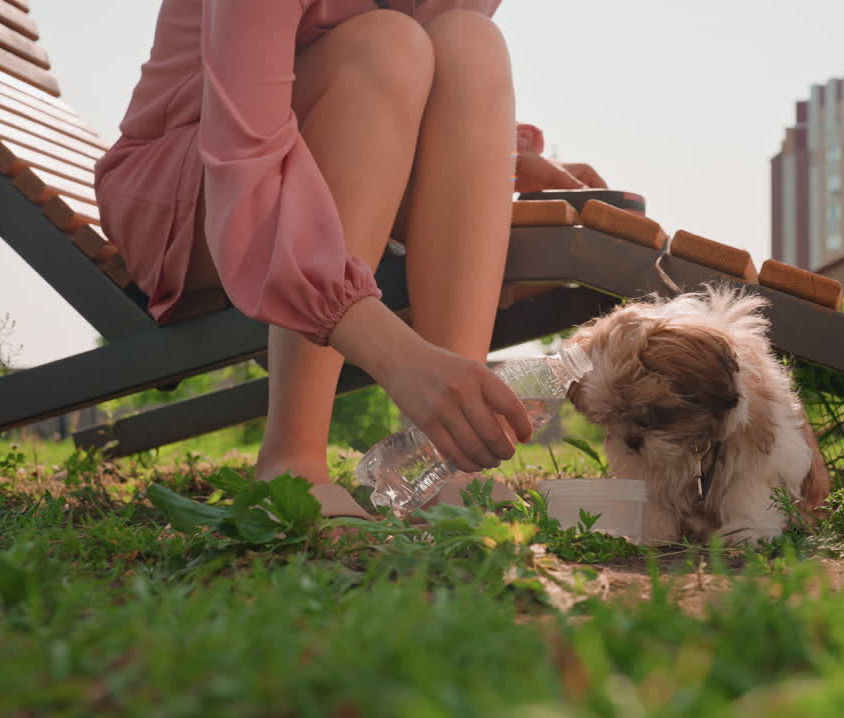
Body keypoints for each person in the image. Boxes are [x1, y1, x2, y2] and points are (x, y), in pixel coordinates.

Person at [95, 0, 606, 517]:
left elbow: (432, 93)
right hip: (193, 188)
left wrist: (503, 162)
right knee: (385, 46)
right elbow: (248, 182)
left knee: (471, 42)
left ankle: (448, 452)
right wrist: (399, 357)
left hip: (326, 142)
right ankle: (291, 458)